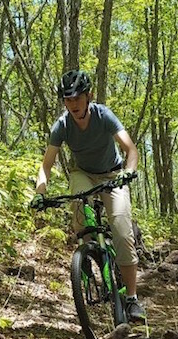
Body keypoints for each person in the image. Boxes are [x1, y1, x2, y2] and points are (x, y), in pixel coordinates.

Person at [31, 69, 145, 322]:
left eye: (76, 98)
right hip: (83, 173)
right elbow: (46, 165)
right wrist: (40, 192)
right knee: (81, 216)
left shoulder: (104, 115)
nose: (72, 104)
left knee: (122, 230)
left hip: (113, 175)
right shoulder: (61, 126)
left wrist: (129, 171)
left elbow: (131, 149)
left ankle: (132, 299)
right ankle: (86, 256)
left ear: (88, 96)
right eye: (67, 99)